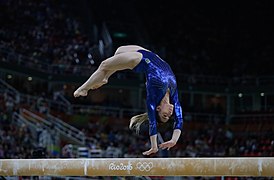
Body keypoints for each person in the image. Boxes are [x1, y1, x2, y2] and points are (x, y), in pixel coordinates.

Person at [74, 45, 183, 155]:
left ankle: (84, 88)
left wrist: (154, 146)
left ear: (158, 108)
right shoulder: (174, 96)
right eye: (169, 116)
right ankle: (105, 78)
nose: (169, 114)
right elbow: (179, 120)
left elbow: (153, 123)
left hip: (140, 60)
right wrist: (174, 140)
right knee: (118, 51)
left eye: (165, 115)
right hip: (149, 53)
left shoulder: (153, 98)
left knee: (104, 65)